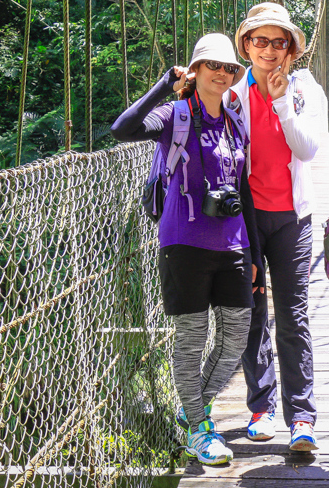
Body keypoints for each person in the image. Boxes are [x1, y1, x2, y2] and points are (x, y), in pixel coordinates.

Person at [111, 32, 262, 466]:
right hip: (184, 242)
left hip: (233, 244)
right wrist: (163, 84)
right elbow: (123, 130)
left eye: (229, 67)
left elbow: (243, 191)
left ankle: (191, 407)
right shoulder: (174, 115)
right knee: (193, 338)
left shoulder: (235, 121)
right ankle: (198, 428)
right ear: (194, 71)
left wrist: (252, 255)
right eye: (211, 65)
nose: (222, 72)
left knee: (236, 335)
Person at [228, 2, 327, 451]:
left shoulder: (307, 90)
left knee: (292, 316)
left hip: (293, 218)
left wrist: (282, 100)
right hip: (246, 220)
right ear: (246, 45)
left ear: (291, 48)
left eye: (278, 41)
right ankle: (261, 407)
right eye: (259, 40)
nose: (269, 50)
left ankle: (302, 417)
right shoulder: (230, 93)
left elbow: (306, 150)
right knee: (250, 314)